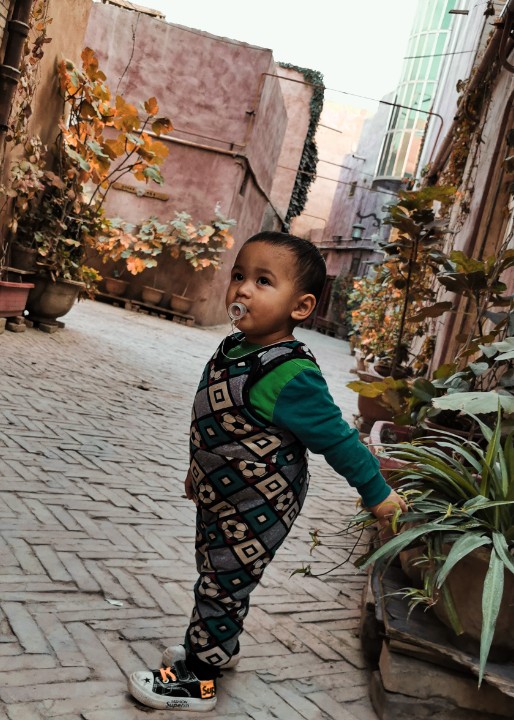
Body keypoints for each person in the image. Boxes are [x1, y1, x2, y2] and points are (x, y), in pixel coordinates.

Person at [128, 231, 407, 712]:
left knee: (222, 582)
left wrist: (377, 492)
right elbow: (216, 422)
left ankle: (199, 679)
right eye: (239, 275)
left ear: (301, 307)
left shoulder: (290, 374)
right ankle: (218, 645)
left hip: (258, 503)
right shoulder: (234, 347)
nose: (242, 288)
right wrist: (198, 471)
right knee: (216, 571)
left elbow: (338, 439)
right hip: (220, 493)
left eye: (263, 281)